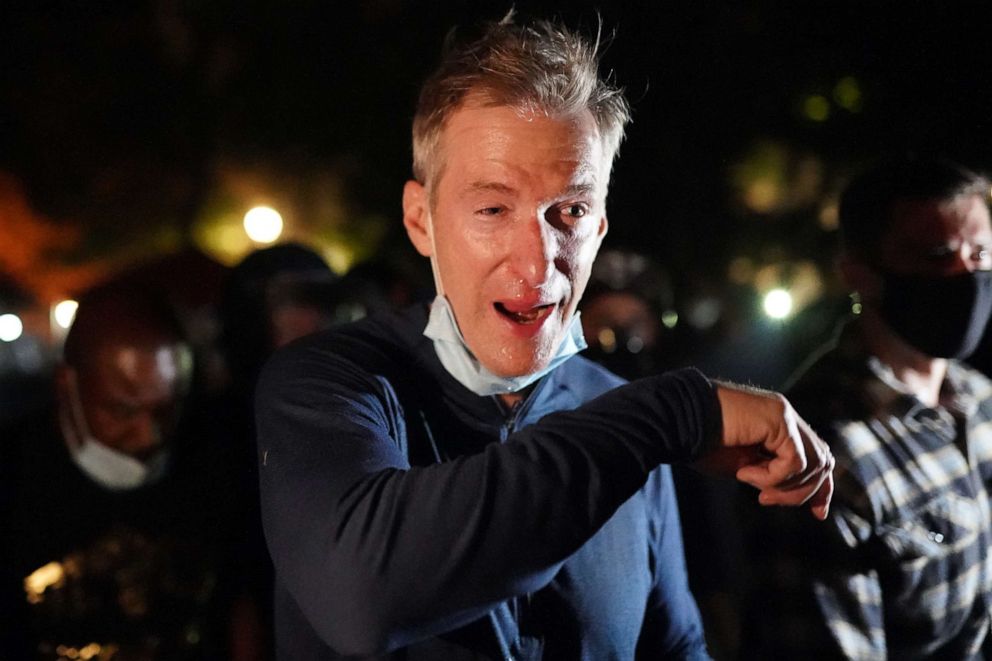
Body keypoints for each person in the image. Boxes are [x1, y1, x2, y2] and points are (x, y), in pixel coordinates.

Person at [255, 14, 833, 660]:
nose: (537, 264)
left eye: (571, 212)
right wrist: (673, 412)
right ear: (421, 221)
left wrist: (652, 420)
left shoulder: (628, 416)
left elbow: (674, 643)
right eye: (493, 209)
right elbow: (365, 593)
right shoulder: (326, 383)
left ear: (601, 227)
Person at [741, 156, 992, 659]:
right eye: (939, 255)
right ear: (860, 274)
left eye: (980, 253)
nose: (966, 275)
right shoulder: (819, 449)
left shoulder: (980, 399)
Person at [0, 283, 261, 659]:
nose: (148, 435)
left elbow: (241, 598)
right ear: (67, 384)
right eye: (122, 411)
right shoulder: (14, 474)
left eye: (166, 408)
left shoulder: (216, 456)